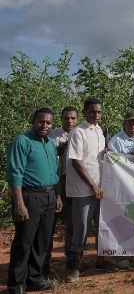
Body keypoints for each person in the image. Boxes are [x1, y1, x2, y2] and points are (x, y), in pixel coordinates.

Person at [6, 107, 61, 293]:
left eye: (48, 122)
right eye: (41, 121)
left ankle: (34, 278)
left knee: (42, 241)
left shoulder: (50, 144)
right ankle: (16, 283)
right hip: (29, 197)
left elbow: (54, 172)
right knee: (24, 241)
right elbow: (15, 175)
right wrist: (19, 204)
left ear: (53, 125)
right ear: (33, 121)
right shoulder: (22, 141)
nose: (44, 125)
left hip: (49, 196)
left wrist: (57, 196)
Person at [65, 98, 117, 283]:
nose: (96, 115)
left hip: (100, 188)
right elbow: (77, 162)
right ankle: (75, 266)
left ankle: (101, 260)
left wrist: (106, 152)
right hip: (83, 190)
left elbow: (96, 157)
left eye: (99, 112)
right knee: (81, 227)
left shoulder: (99, 132)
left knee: (102, 225)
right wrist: (93, 186)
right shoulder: (78, 132)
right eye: (93, 112)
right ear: (85, 111)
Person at [108, 112, 134, 266]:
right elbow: (113, 160)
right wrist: (132, 155)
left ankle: (133, 252)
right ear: (124, 124)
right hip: (120, 186)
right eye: (130, 124)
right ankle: (118, 255)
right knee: (120, 219)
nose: (133, 127)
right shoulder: (116, 140)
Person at [44, 106, 79, 274]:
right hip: (53, 187)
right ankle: (44, 263)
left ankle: (71, 260)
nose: (70, 121)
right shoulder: (52, 136)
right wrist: (56, 152)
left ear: (77, 119)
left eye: (73, 118)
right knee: (48, 226)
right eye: (67, 118)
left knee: (71, 224)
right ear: (61, 118)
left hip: (72, 186)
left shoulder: (79, 135)